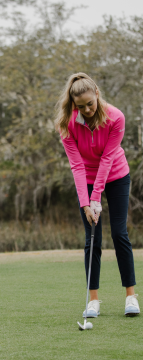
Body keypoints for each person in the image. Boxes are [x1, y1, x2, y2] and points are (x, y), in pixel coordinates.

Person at [54, 72, 140, 317]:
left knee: (119, 233)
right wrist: (86, 203)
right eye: (80, 106)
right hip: (87, 180)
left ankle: (131, 296)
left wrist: (97, 198)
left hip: (117, 176)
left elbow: (107, 159)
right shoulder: (67, 124)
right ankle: (93, 300)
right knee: (92, 239)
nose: (87, 110)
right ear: (73, 105)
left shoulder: (116, 117)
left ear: (97, 95)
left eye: (90, 104)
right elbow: (77, 166)